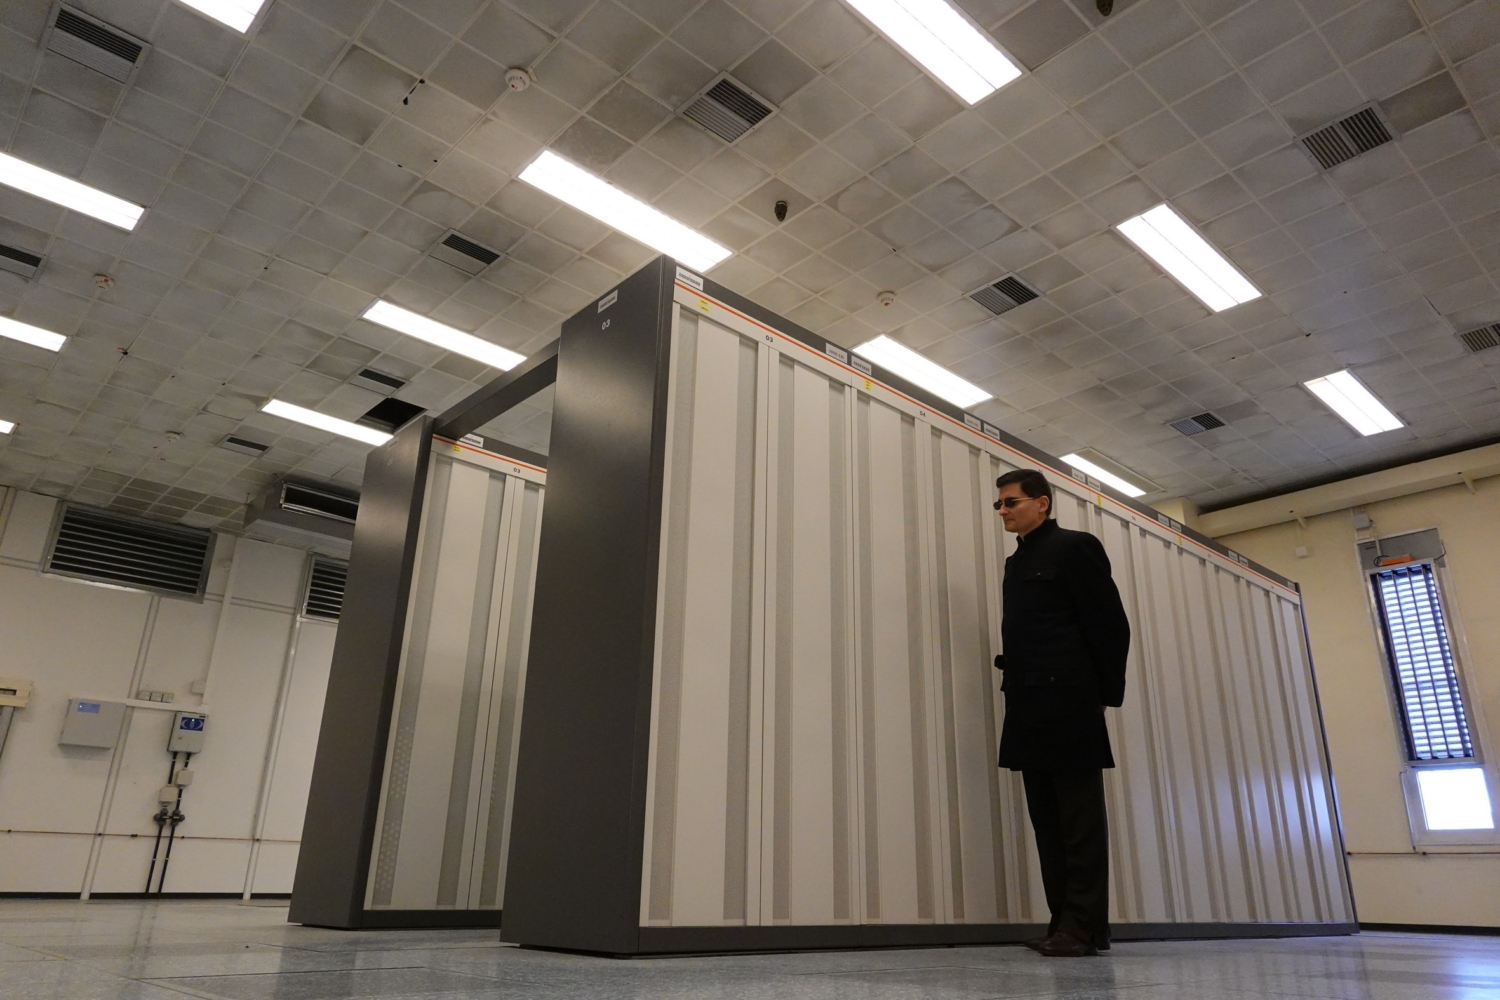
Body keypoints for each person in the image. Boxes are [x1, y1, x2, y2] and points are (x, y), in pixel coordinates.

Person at [992, 468, 1129, 957]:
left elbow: (1109, 625)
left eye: (1011, 502)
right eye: (999, 505)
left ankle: (1083, 928)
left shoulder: (1075, 547)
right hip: (1028, 704)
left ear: (1042, 503)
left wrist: (1102, 696)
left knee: (1078, 823)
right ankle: (1066, 925)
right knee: (1047, 823)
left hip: (1069, 703)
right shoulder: (1016, 562)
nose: (1003, 511)